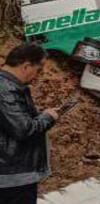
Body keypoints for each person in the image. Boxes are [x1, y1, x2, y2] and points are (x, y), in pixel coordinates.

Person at [0, 44, 62, 204]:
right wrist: (47, 117)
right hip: (12, 177)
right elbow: (23, 129)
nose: (38, 75)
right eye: (38, 70)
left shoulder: (9, 86)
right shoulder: (6, 90)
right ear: (26, 66)